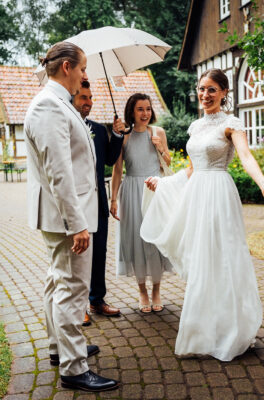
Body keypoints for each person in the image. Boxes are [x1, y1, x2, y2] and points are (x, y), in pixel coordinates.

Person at [140, 68, 264, 362]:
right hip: (197, 194)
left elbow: (246, 156)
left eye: (212, 89)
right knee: (202, 258)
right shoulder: (194, 126)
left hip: (219, 193)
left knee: (223, 257)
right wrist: (163, 182)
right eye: (202, 89)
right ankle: (204, 329)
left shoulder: (231, 123)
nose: (205, 95)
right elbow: (191, 169)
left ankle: (232, 329)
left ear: (225, 93)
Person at [24, 42, 119, 392]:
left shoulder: (57, 104)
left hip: (61, 215)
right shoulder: (50, 107)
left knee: (57, 282)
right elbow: (59, 172)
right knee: (71, 289)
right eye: (82, 69)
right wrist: (77, 223)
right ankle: (74, 368)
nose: (84, 76)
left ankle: (59, 348)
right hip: (67, 218)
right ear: (66, 68)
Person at [110, 93, 172, 313]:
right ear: (131, 112)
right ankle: (142, 291)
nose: (145, 113)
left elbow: (168, 162)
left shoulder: (158, 132)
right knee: (135, 239)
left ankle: (156, 289)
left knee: (154, 239)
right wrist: (113, 198)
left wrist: (160, 148)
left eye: (148, 109)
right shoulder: (124, 137)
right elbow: (117, 170)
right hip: (132, 191)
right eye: (140, 109)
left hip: (155, 189)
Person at [71, 80, 124, 325]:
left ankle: (97, 299)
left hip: (99, 202)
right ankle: (78, 305)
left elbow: (111, 160)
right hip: (77, 203)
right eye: (83, 97)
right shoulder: (67, 127)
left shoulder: (98, 129)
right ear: (72, 97)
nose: (89, 102)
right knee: (79, 257)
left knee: (99, 253)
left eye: (91, 98)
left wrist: (116, 134)